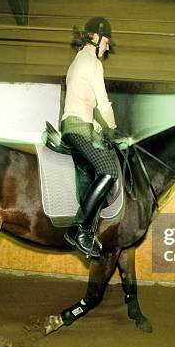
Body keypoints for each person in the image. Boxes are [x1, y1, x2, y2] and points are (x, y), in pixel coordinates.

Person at [60, 16, 120, 259]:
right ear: (94, 37)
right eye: (106, 41)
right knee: (109, 171)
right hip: (77, 128)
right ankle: (80, 229)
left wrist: (98, 129)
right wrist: (113, 128)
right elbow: (103, 104)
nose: (107, 47)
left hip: (77, 124)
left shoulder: (77, 62)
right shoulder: (92, 62)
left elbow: (84, 105)